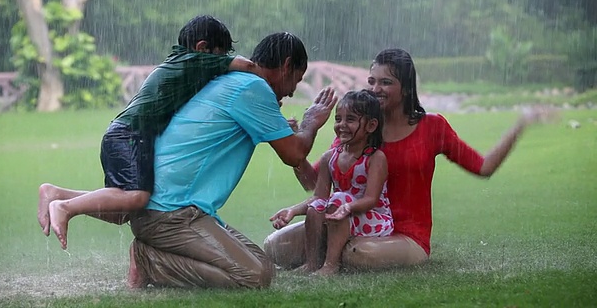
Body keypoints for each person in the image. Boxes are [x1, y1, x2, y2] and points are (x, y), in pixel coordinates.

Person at [264, 48, 555, 271]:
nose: (376, 89)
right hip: (347, 224)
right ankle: (331, 256)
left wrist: (521, 124)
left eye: (385, 82)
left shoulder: (433, 127)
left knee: (359, 254)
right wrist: (297, 144)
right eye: (372, 81)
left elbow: (484, 167)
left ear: (405, 87)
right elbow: (316, 184)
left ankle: (333, 257)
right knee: (273, 248)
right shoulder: (358, 127)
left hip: (405, 236)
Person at [127, 32, 337, 289]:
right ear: (286, 65)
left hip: (171, 208)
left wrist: (289, 129)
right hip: (171, 213)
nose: (292, 91)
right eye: (296, 79)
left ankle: (158, 253)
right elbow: (293, 155)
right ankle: (150, 259)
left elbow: (299, 166)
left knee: (263, 264)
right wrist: (311, 122)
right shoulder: (254, 88)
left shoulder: (236, 81)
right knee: (254, 276)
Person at [37, 15, 255, 250]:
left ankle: (58, 194)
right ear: (202, 47)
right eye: (220, 54)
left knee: (121, 212)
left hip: (125, 134)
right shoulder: (194, 60)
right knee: (137, 197)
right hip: (129, 135)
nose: (220, 61)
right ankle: (65, 208)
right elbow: (247, 65)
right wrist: (264, 90)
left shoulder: (179, 61)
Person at [271, 89, 393, 276]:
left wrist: (348, 207)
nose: (342, 125)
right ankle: (313, 263)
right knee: (317, 206)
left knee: (338, 198)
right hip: (341, 214)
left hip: (372, 218)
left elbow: (371, 200)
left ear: (371, 125)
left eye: (350, 119)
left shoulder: (376, 158)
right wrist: (293, 210)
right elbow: (318, 197)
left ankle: (331, 264)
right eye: (338, 119)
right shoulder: (330, 157)